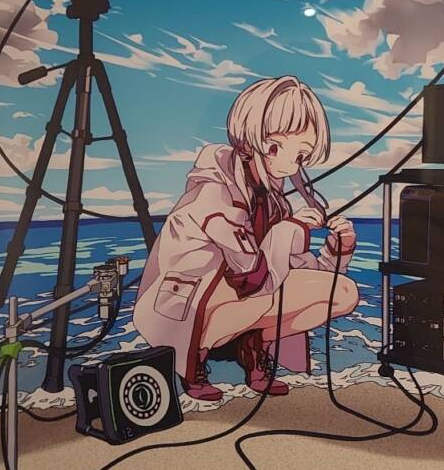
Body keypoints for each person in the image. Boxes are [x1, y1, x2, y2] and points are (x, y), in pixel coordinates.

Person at [133, 76, 359, 400]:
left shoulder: (272, 198)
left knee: (343, 292)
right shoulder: (215, 193)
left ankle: (250, 348)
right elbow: (253, 278)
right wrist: (290, 228)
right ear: (269, 145)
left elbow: (293, 267)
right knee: (262, 296)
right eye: (299, 155)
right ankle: (193, 357)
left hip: (238, 294)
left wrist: (338, 250)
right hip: (179, 307)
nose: (298, 167)